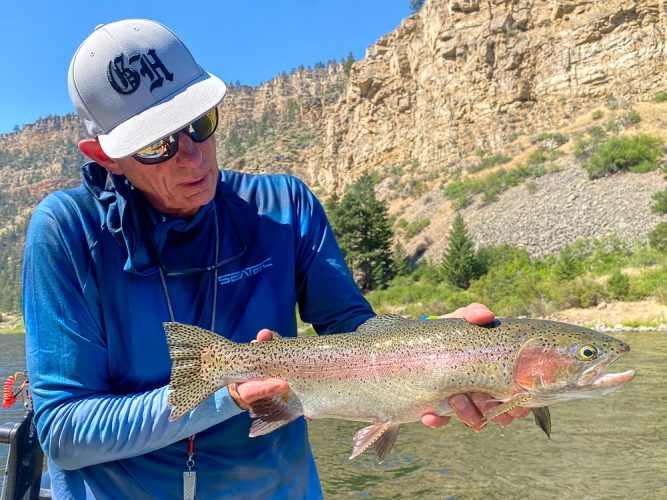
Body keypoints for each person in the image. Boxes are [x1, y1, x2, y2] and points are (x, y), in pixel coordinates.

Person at [22, 19, 529, 499]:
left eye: (200, 122)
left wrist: (443, 352)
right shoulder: (66, 233)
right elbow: (65, 432)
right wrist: (229, 392)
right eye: (158, 144)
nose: (193, 156)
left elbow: (353, 332)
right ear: (104, 155)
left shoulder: (284, 207)